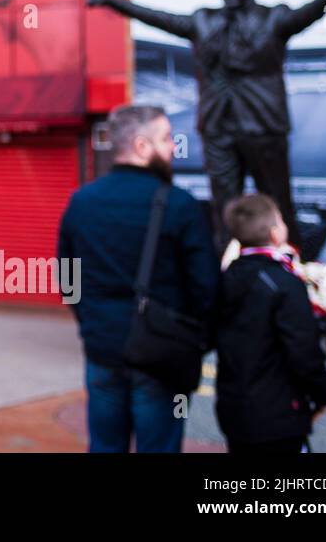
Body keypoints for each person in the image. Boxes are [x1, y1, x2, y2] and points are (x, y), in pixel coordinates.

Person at [90, 0, 326, 256]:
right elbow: (156, 16)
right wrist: (113, 3)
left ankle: (289, 266)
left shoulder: (273, 18)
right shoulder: (203, 21)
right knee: (225, 207)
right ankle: (228, 270)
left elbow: (306, 15)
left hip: (263, 125)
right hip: (218, 128)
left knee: (277, 201)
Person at [57, 104, 219, 452]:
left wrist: (90, 321)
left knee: (104, 445)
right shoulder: (181, 205)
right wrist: (192, 340)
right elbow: (206, 289)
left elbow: (67, 276)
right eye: (165, 139)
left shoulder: (81, 201)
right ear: (142, 147)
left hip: (101, 349)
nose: (173, 148)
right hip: (163, 358)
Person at [216, 193, 326, 454]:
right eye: (281, 220)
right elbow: (303, 349)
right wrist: (323, 393)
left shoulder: (224, 280)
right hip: (280, 412)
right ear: (274, 234)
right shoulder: (285, 283)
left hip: (233, 408)